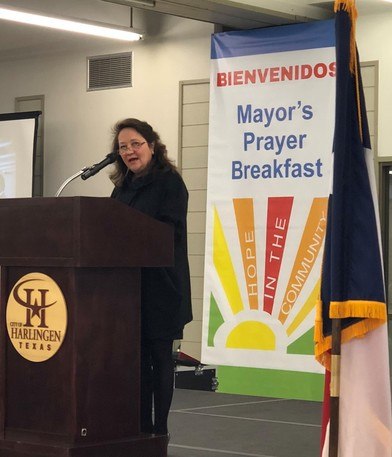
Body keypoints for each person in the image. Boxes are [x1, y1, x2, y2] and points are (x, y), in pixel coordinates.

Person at [109, 118, 192, 437]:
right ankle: (140, 425)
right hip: (130, 290)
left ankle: (160, 430)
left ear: (152, 146)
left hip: (162, 287)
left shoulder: (170, 183)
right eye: (122, 147)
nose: (129, 151)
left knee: (160, 360)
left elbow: (168, 233)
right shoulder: (122, 187)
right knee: (138, 363)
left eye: (135, 144)